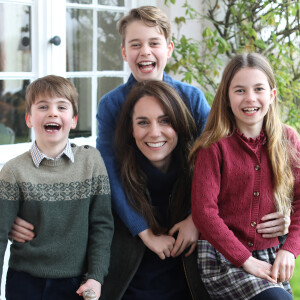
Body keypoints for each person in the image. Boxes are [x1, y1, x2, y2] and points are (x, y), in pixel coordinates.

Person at [8, 5, 290, 294]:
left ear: (168, 49)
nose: (145, 51)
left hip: (188, 224)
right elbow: (108, 176)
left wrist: (199, 219)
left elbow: (227, 161)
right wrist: (143, 232)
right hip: (134, 226)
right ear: (123, 52)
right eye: (135, 44)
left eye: (154, 43)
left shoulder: (191, 98)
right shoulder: (111, 105)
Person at [190, 53, 300, 300]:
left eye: (258, 89)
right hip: (223, 258)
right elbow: (203, 212)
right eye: (239, 90)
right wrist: (245, 259)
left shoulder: (288, 140)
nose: (250, 98)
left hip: (270, 253)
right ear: (227, 99)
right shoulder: (214, 146)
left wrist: (290, 250)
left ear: (271, 95)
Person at [0, 75, 114, 300]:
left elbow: (102, 226)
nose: (53, 112)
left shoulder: (91, 162)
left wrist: (95, 276)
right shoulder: (13, 171)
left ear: (73, 120)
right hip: (24, 281)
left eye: (62, 106)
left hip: (77, 283)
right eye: (43, 106)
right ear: (29, 119)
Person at [103, 80, 209, 299]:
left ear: (179, 124)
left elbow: (246, 197)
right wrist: (22, 218)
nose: (154, 132)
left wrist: (195, 218)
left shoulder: (201, 177)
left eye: (165, 121)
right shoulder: (115, 183)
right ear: (130, 129)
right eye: (143, 122)